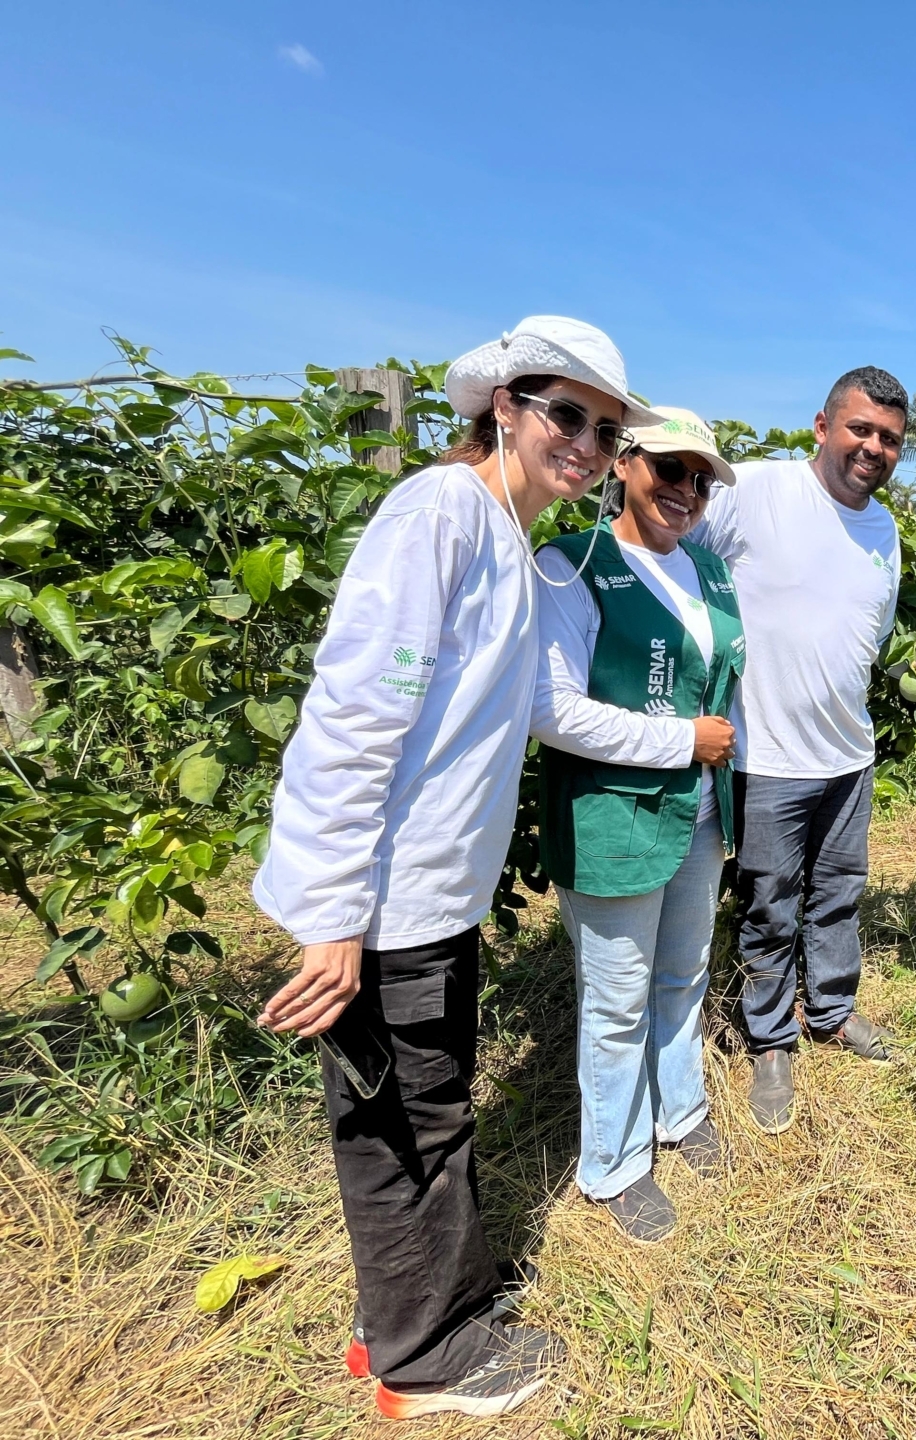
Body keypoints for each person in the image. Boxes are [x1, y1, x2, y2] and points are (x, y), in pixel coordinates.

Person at [254, 317, 658, 1420]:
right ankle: (428, 1360)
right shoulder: (441, 514)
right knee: (411, 1127)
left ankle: (402, 1315)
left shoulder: (506, 541)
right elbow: (355, 714)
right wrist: (334, 914)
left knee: (416, 1111)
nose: (586, 445)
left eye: (605, 430)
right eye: (567, 415)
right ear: (506, 407)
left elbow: (513, 709)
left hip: (428, 895)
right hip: (389, 902)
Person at [531, 408, 743, 1244]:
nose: (685, 491)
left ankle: (679, 1111)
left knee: (683, 972)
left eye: (701, 480)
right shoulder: (572, 566)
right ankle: (614, 1164)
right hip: (614, 816)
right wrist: (681, 741)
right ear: (624, 463)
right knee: (616, 999)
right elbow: (551, 710)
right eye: (669, 470)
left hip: (698, 812)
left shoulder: (710, 571)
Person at [690, 367, 906, 1134]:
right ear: (822, 426)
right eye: (860, 429)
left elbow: (869, 638)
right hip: (768, 753)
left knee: (838, 891)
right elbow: (670, 558)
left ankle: (833, 1010)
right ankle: (771, 1037)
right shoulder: (754, 490)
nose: (873, 447)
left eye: (889, 438)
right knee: (771, 903)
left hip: (848, 752)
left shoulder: (885, 531)